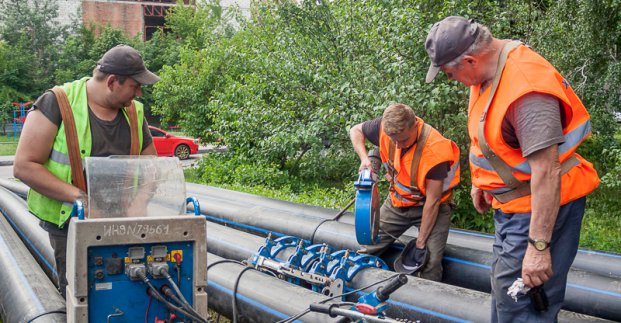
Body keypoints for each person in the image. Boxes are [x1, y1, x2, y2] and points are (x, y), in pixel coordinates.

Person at [425, 16, 600, 321]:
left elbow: (547, 173)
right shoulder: (487, 72)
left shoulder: (527, 93)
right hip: (513, 205)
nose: (451, 80)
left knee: (522, 304)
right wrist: (482, 181)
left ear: (469, 60)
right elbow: (484, 130)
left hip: (541, 208)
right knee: (507, 296)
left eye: (450, 74)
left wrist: (538, 247)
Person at [14, 44, 160, 297]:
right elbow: (24, 166)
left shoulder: (134, 112)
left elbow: (152, 166)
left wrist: (140, 199)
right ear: (113, 81)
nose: (138, 93)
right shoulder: (58, 102)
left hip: (123, 223)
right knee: (81, 295)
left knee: (125, 292)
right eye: (135, 86)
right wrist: (84, 201)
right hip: (71, 223)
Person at [349, 103, 460, 281]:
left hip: (430, 207)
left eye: (404, 140)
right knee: (369, 245)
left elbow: (432, 202)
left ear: (415, 125)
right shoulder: (384, 128)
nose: (398, 145)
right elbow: (355, 130)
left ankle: (424, 303)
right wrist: (364, 159)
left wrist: (421, 242)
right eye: (394, 140)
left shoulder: (435, 150)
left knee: (429, 260)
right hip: (397, 202)